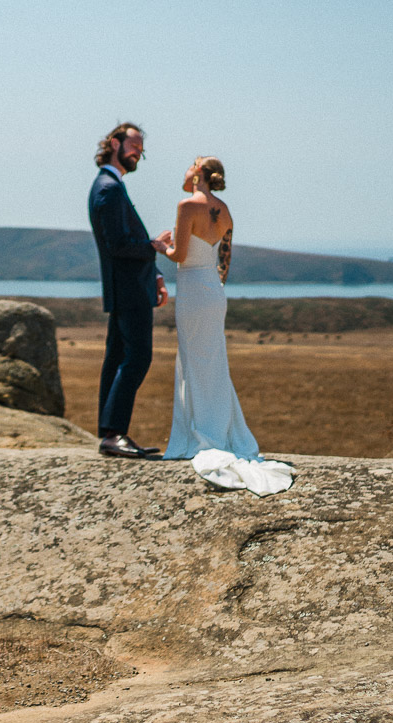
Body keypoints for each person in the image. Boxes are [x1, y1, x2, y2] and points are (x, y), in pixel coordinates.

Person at [155, 159, 294, 496]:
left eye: (191, 165)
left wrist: (159, 246)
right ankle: (220, 430)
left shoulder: (188, 205)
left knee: (193, 360)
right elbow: (224, 258)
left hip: (191, 287)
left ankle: (200, 434)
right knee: (214, 363)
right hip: (214, 291)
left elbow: (179, 254)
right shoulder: (225, 210)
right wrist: (213, 285)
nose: (186, 169)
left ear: (199, 175)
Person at [88, 122, 169, 458]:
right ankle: (114, 434)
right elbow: (119, 245)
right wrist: (154, 247)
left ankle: (110, 433)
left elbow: (124, 244)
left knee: (118, 358)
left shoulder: (111, 185)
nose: (139, 152)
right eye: (134, 145)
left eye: (141, 148)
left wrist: (156, 274)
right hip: (128, 290)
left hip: (131, 286)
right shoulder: (108, 189)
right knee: (137, 358)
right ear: (113, 143)